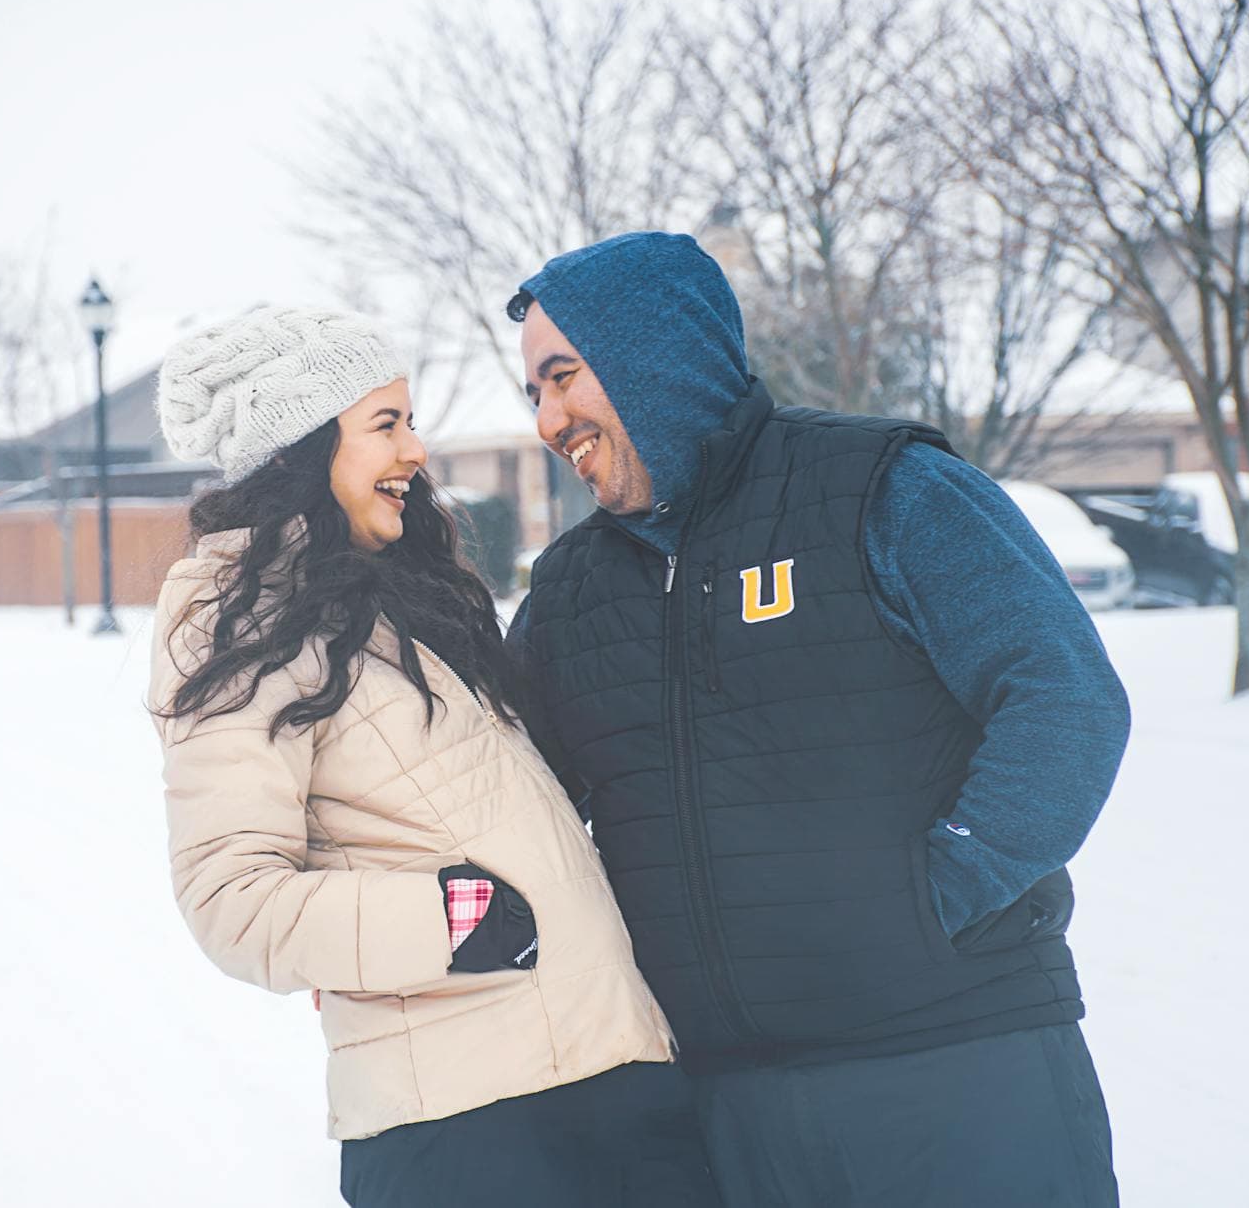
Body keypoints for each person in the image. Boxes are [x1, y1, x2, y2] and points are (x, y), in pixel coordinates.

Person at [504, 233, 1129, 1208]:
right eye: (531, 393)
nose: (546, 419)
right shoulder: (570, 591)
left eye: (561, 375)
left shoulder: (881, 489)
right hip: (722, 1111)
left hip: (956, 1069)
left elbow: (1061, 695)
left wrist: (930, 895)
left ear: (648, 356)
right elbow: (498, 791)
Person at [147, 306, 720, 1208]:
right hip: (469, 1123)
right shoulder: (240, 615)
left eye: (409, 421)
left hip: (603, 1067)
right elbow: (233, 897)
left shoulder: (385, 600)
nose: (415, 450)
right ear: (300, 447)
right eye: (385, 424)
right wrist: (465, 921)